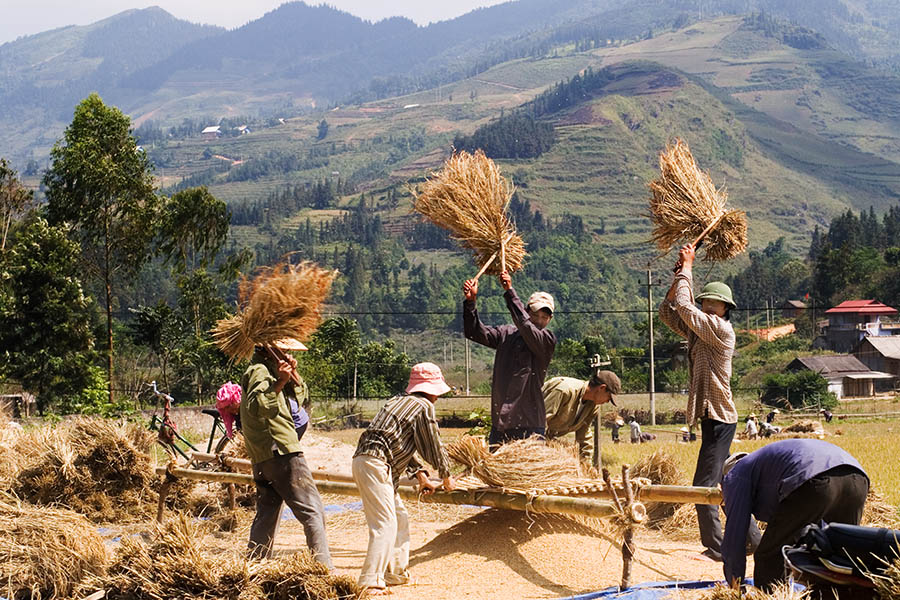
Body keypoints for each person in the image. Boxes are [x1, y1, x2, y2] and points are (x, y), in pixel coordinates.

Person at [659, 243, 747, 561]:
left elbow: (685, 307)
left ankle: (718, 546)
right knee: (722, 481)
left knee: (703, 485)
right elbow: (669, 311)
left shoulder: (719, 330)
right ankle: (753, 539)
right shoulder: (699, 331)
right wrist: (678, 277)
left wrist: (688, 266)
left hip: (721, 418)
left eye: (716, 303)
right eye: (707, 301)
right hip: (714, 417)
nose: (710, 307)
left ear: (726, 310)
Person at [353, 362, 456, 595]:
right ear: (431, 389)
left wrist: (421, 476)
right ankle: (369, 581)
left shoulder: (397, 401)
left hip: (366, 461)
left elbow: (402, 444)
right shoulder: (423, 406)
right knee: (385, 524)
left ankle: (395, 573)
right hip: (377, 465)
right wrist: (446, 475)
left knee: (399, 518)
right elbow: (433, 444)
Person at [721, 439, 869, 591]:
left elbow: (735, 532)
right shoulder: (768, 464)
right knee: (841, 553)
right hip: (857, 479)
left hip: (814, 478)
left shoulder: (736, 474)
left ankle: (771, 595)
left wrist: (735, 585)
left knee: (770, 555)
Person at [240, 342, 332, 566]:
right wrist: (280, 380)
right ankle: (323, 569)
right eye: (284, 351)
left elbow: (299, 400)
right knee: (313, 511)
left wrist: (291, 374)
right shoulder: (259, 372)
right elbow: (260, 406)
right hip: (280, 450)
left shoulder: (266, 372)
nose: (288, 354)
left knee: (268, 512)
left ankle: (254, 566)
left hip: (264, 456)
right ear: (270, 351)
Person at [463, 270, 556, 447]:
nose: (539, 320)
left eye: (544, 317)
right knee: (497, 473)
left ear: (550, 319)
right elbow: (474, 333)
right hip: (502, 423)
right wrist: (470, 302)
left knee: (530, 472)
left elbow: (525, 326)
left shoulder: (547, 341)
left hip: (530, 425)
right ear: (526, 311)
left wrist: (509, 291)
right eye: (535, 315)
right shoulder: (506, 334)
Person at [543, 370, 620, 462]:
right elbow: (540, 421)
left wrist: (585, 464)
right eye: (609, 397)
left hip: (545, 438)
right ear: (602, 388)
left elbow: (584, 434)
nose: (607, 402)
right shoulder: (565, 390)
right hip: (527, 432)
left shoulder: (593, 406)